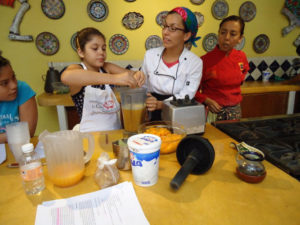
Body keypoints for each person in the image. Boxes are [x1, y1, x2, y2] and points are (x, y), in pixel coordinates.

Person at [61, 27, 145, 132]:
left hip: (114, 133)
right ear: (81, 52)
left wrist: (138, 74)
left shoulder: (106, 67)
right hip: (89, 137)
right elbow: (66, 77)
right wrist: (114, 79)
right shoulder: (78, 69)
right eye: (95, 48)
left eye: (104, 48)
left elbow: (132, 75)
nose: (101, 52)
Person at [142, 7, 203, 121]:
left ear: (186, 35)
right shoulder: (149, 55)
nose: (165, 32)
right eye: (165, 26)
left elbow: (187, 95)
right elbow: (142, 86)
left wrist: (161, 104)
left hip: (178, 114)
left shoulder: (195, 62)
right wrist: (146, 99)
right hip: (150, 113)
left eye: (173, 28)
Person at [195, 15, 249, 122]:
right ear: (218, 33)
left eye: (233, 34)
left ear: (240, 38)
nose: (227, 37)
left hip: (235, 112)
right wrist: (207, 100)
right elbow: (192, 91)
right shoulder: (204, 61)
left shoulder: (241, 57)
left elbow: (242, 76)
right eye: (223, 32)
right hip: (212, 111)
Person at [0, 54, 38, 143]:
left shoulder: (23, 89)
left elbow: (27, 132)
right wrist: (14, 134)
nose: (14, 85)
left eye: (14, 77)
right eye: (4, 83)